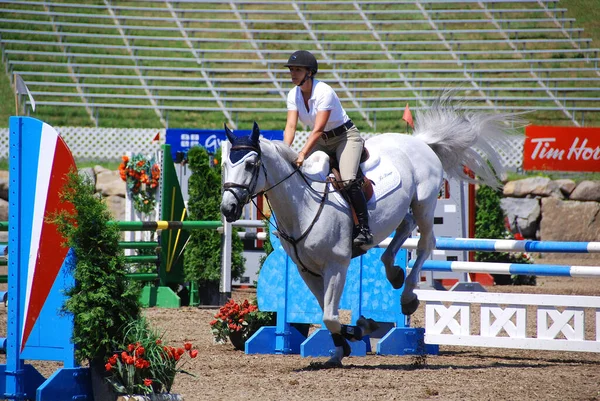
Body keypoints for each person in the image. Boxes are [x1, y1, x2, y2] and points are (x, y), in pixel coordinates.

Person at [283, 50, 373, 246]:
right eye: (291, 69)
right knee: (299, 174)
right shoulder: (293, 94)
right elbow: (291, 126)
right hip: (322, 141)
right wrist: (285, 150)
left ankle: (364, 229)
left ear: (310, 72)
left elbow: (317, 129)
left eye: (298, 70)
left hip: (344, 137)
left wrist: (302, 153)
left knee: (348, 178)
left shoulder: (324, 92)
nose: (293, 73)